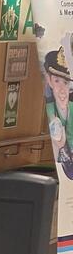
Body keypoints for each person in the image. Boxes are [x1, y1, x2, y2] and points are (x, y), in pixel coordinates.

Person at [42, 45, 73, 179]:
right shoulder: (51, 111)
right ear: (49, 81)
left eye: (65, 82)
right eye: (56, 81)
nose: (61, 88)